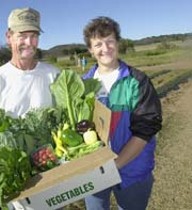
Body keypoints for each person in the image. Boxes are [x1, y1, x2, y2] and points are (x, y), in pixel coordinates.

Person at [81, 16, 162, 210]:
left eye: (110, 41)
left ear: (118, 43)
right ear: (91, 50)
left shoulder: (137, 81)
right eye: (98, 44)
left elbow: (145, 129)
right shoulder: (83, 85)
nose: (105, 48)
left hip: (132, 171)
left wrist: (115, 165)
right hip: (94, 172)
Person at [0, 7, 60, 118]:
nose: (29, 42)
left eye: (34, 36)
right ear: (9, 37)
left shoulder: (54, 74)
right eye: (22, 36)